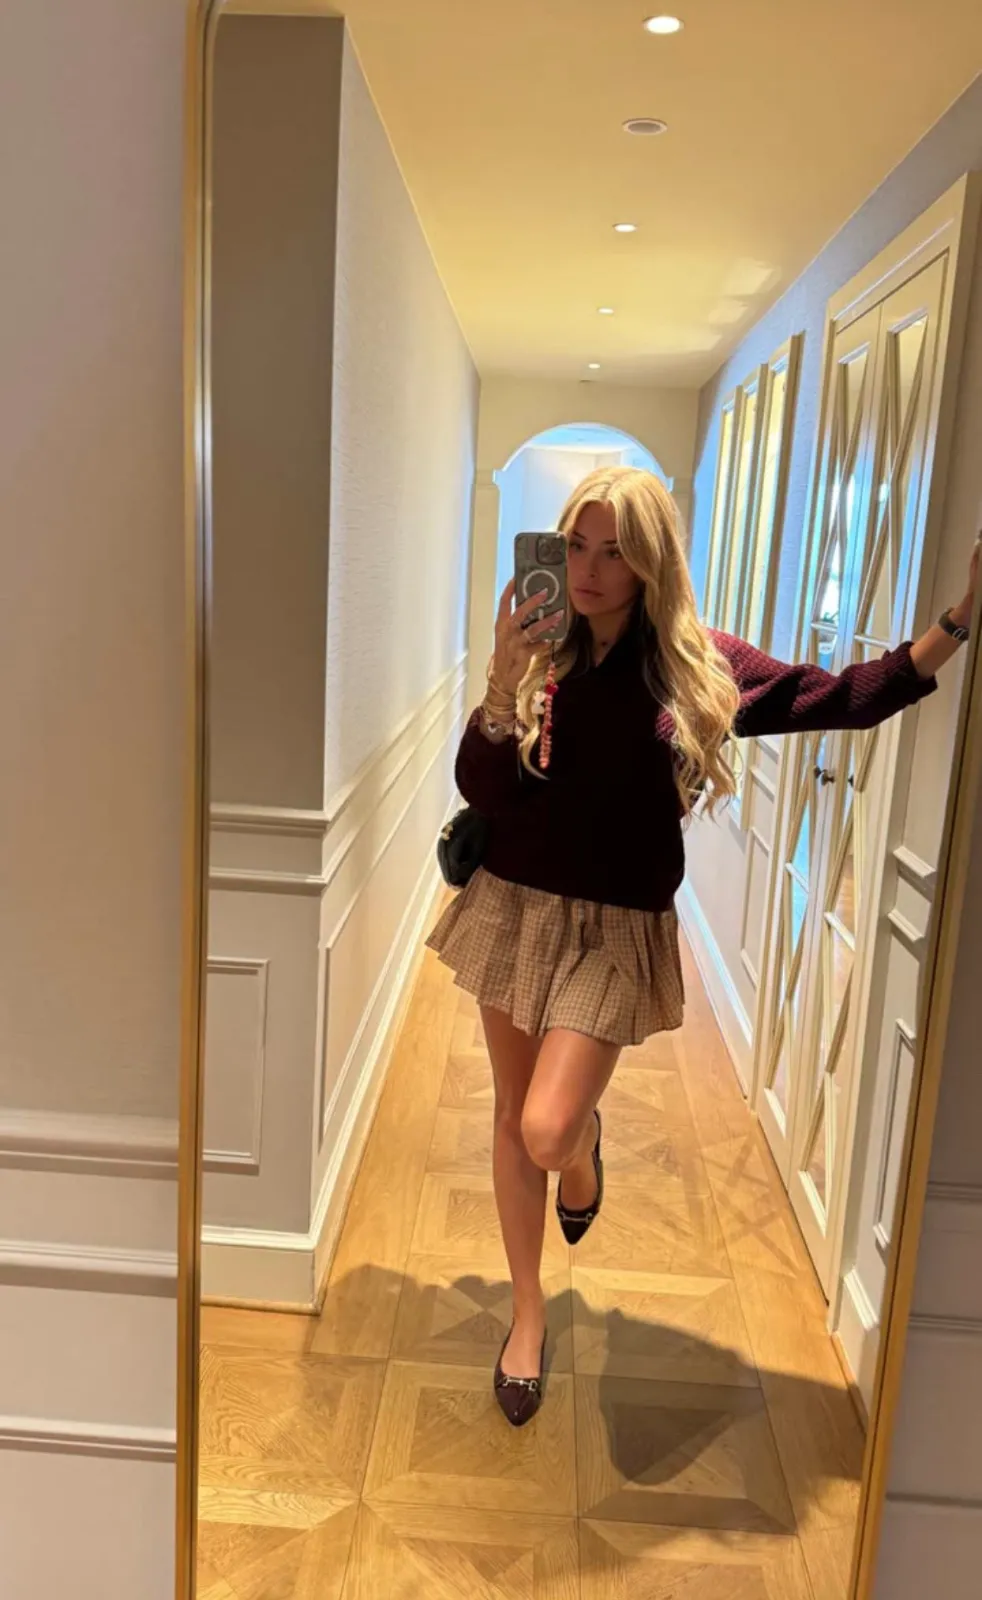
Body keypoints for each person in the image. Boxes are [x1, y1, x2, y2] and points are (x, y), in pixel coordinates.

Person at [427, 466, 977, 1427]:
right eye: (578, 546)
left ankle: (583, 1148)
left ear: (651, 563)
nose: (589, 571)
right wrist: (503, 681)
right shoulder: (541, 652)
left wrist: (958, 625)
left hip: (616, 927)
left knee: (550, 1128)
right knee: (514, 1119)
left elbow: (838, 697)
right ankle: (527, 1315)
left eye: (615, 552)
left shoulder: (694, 664)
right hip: (514, 905)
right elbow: (484, 786)